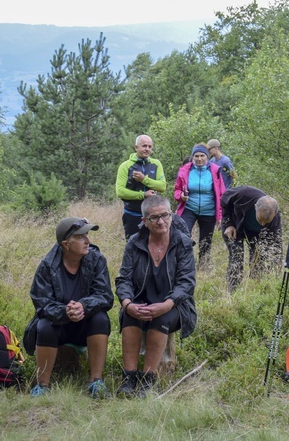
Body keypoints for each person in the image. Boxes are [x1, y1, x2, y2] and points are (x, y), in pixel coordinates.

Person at [115, 195, 197, 398]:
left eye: (165, 215)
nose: (161, 221)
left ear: (171, 215)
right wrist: (127, 303)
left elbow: (186, 283)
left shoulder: (182, 243)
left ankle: (147, 379)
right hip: (141, 301)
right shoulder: (134, 243)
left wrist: (166, 305)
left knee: (160, 318)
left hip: (176, 306)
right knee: (129, 316)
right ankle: (129, 378)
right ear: (144, 221)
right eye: (154, 218)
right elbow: (123, 279)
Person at [27, 217, 114, 398]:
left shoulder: (96, 260)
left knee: (101, 319)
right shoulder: (47, 266)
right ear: (66, 244)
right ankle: (42, 385)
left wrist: (83, 306)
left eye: (87, 235)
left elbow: (105, 296)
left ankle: (96, 381)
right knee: (43, 325)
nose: (88, 241)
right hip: (60, 328)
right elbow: (42, 304)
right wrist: (65, 311)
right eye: (81, 237)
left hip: (85, 326)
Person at [220, 186, 283, 292]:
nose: (263, 224)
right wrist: (228, 223)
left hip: (255, 234)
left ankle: (254, 288)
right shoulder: (244, 194)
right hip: (235, 225)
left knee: (258, 259)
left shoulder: (275, 219)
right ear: (255, 208)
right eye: (260, 219)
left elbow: (277, 246)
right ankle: (232, 291)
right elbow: (224, 200)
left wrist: (276, 267)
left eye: (266, 222)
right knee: (237, 256)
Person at [173, 144, 225, 269]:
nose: (199, 159)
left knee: (206, 240)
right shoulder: (185, 170)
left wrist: (220, 214)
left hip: (209, 210)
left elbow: (222, 193)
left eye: (202, 156)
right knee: (182, 235)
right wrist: (181, 196)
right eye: (196, 156)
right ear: (192, 157)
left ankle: (203, 266)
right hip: (189, 208)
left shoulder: (215, 170)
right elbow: (177, 190)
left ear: (207, 157)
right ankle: (184, 263)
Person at [116, 135, 167, 239]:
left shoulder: (156, 164)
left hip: (153, 216)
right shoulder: (125, 166)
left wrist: (144, 179)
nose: (147, 149)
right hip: (132, 214)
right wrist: (143, 195)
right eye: (144, 146)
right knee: (133, 247)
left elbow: (162, 186)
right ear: (136, 147)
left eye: (150, 146)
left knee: (153, 245)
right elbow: (120, 191)